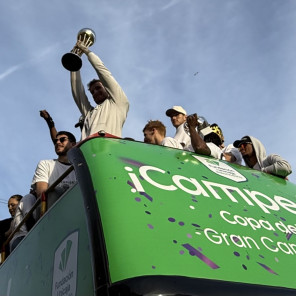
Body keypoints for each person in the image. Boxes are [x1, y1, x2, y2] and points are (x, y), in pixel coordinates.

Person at [9, 131, 77, 252]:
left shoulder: (77, 168)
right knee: (51, 193)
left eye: (62, 140)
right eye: (56, 141)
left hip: (72, 212)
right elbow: (42, 193)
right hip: (48, 213)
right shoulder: (46, 164)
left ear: (73, 144)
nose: (58, 142)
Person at [70, 40, 129, 139]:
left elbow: (104, 73)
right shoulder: (89, 113)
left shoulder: (119, 102)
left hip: (109, 151)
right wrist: (74, 61)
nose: (95, 92)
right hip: (88, 152)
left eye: (98, 88)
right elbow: (77, 92)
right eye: (92, 92)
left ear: (106, 88)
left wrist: (87, 52)